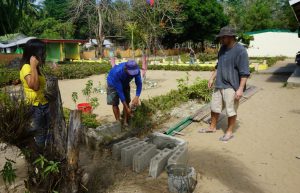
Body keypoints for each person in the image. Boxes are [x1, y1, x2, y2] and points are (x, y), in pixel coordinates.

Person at [200, 26, 250, 141]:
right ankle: (212, 127)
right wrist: (212, 78)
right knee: (214, 107)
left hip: (232, 86)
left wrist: (240, 89)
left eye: (222, 37)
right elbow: (219, 66)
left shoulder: (241, 51)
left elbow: (245, 73)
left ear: (230, 37)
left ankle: (229, 132)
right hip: (219, 83)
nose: (220, 39)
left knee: (230, 110)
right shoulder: (222, 48)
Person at [20, 39, 50, 149]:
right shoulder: (26, 67)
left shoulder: (37, 68)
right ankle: (40, 158)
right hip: (34, 107)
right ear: (34, 53)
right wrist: (33, 66)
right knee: (40, 135)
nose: (44, 54)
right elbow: (35, 86)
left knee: (47, 131)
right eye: (42, 52)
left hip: (44, 104)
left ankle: (46, 154)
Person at [107, 60, 142, 125]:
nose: (133, 75)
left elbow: (139, 83)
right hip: (112, 82)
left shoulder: (136, 70)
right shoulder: (117, 72)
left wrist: (137, 96)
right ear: (125, 69)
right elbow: (120, 92)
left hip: (125, 82)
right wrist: (127, 108)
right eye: (131, 73)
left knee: (127, 100)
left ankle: (125, 121)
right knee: (115, 103)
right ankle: (118, 122)